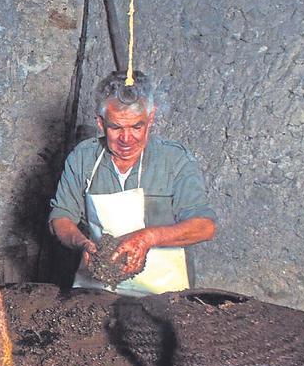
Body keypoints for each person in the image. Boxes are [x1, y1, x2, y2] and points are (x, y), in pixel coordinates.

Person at [49, 71, 216, 296]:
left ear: (151, 118)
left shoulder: (174, 160)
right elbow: (60, 217)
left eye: (137, 127)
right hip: (98, 288)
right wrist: (81, 243)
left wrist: (148, 237)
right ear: (100, 123)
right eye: (116, 127)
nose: (126, 139)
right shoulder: (83, 158)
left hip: (164, 292)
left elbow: (205, 227)